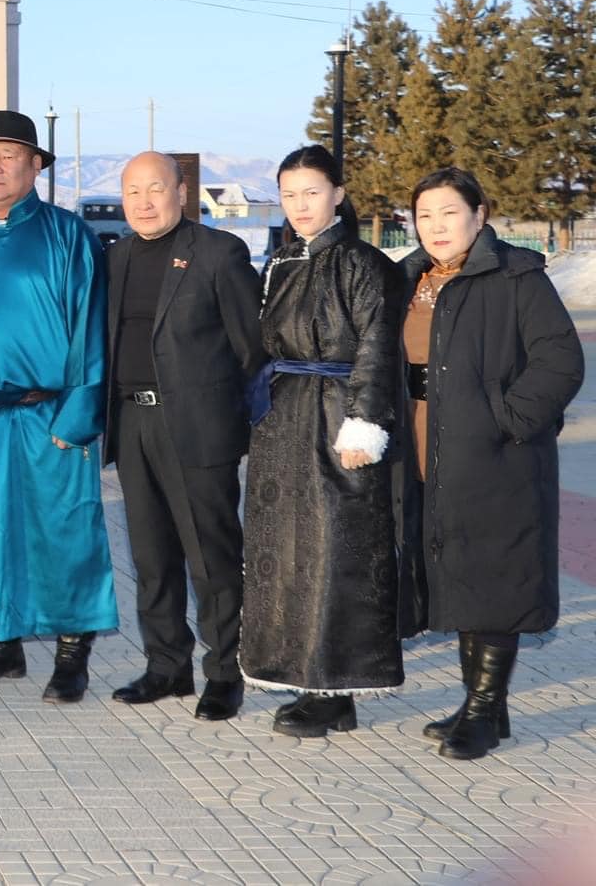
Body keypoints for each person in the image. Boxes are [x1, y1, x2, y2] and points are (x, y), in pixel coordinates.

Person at [397, 167, 582, 760]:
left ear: (480, 216)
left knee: (494, 575)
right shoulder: (411, 278)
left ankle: (481, 711)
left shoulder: (516, 276)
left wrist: (508, 420)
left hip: (495, 455)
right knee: (458, 573)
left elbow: (560, 361)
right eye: (425, 215)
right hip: (428, 444)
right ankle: (484, 706)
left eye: (450, 212)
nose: (437, 226)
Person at [0, 111, 116, 703]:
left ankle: (71, 652)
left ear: (36, 166)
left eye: (9, 155)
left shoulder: (67, 235)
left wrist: (78, 416)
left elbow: (90, 329)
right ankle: (2, 645)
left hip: (47, 415)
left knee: (61, 530)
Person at [241, 144, 406, 737]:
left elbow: (376, 346)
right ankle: (303, 673)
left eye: (312, 192)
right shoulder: (281, 262)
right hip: (285, 420)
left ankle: (337, 685)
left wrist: (364, 423)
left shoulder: (363, 263)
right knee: (290, 551)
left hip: (339, 420)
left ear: (338, 193)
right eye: (289, 194)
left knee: (338, 551)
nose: (300, 205)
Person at [102, 152, 264, 721]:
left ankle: (225, 672)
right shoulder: (116, 257)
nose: (144, 201)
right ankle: (166, 665)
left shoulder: (219, 253)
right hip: (132, 423)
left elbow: (252, 349)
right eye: (132, 191)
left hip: (197, 427)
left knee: (210, 556)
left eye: (155, 188)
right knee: (150, 555)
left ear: (181, 191)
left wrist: (236, 423)